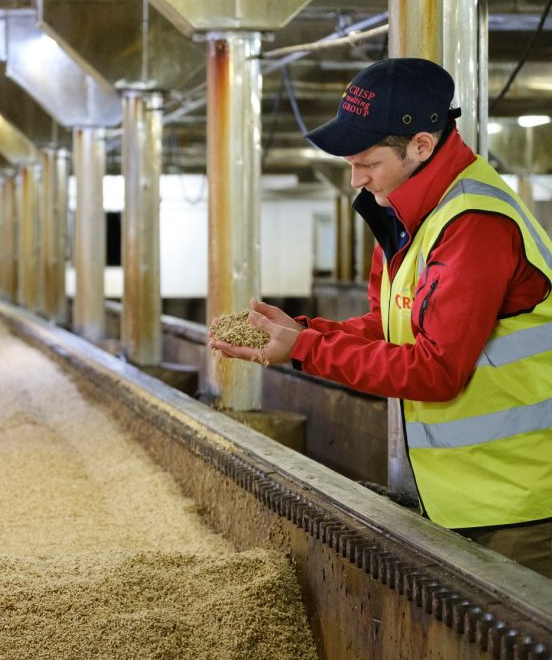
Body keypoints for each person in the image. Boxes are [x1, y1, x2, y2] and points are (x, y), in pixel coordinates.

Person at [208, 58, 552, 577]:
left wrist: (304, 351)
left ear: (421, 145)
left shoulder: (475, 226)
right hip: (464, 497)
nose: (356, 180)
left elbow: (435, 370)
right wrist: (305, 332)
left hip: (518, 504)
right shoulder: (408, 213)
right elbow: (390, 324)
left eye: (366, 162)